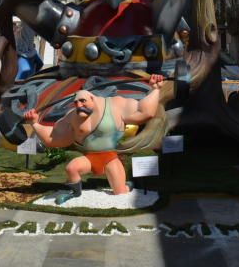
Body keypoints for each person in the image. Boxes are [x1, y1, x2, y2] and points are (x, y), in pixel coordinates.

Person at [22, 74, 165, 204]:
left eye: (83, 101)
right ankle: (74, 192)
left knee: (120, 192)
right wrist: (35, 123)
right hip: (90, 158)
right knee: (71, 168)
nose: (79, 105)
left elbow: (144, 111)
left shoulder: (115, 105)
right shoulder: (72, 116)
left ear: (92, 98)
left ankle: (127, 185)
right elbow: (53, 136)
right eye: (76, 102)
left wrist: (155, 89)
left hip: (110, 158)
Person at [13, 17, 43, 81]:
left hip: (30, 52)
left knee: (40, 63)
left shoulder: (31, 25)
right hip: (23, 53)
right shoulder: (22, 27)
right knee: (24, 71)